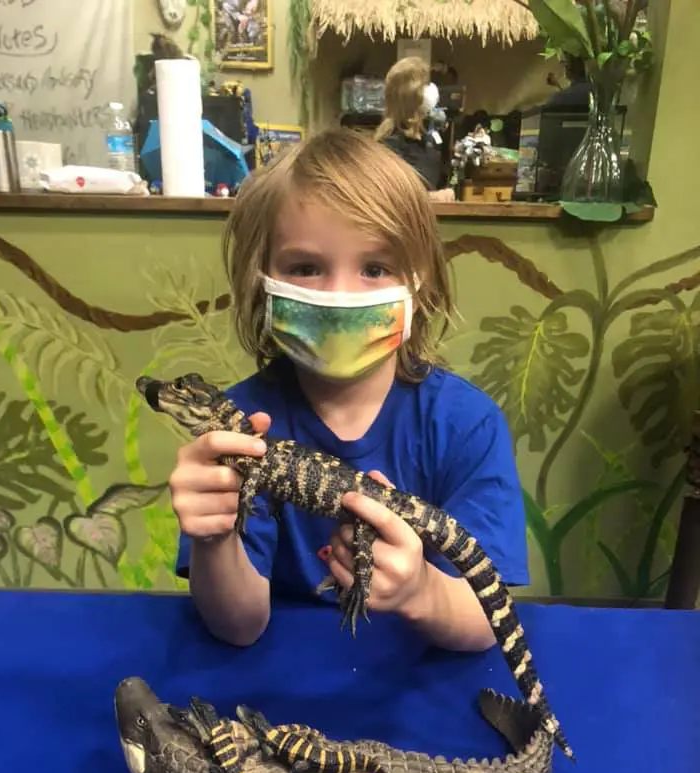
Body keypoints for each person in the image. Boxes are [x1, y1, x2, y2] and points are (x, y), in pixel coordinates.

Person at [169, 127, 529, 651]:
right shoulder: (244, 428)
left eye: (375, 268)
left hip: (418, 678)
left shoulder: (465, 423)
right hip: (280, 673)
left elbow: (487, 623)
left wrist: (423, 591)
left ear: (420, 281)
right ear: (261, 279)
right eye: (306, 268)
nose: (339, 296)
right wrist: (214, 537)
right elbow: (238, 626)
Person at [374, 56, 455, 202]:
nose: (431, 89)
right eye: (426, 84)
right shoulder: (389, 144)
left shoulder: (426, 138)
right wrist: (432, 198)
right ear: (411, 94)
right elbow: (390, 199)